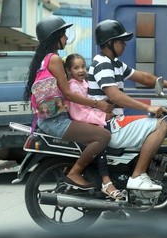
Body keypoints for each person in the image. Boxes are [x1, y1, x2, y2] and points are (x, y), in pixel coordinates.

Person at [88, 19, 167, 191]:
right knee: (161, 125)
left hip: (112, 121)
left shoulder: (115, 64)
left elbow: (143, 77)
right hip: (107, 124)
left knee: (161, 123)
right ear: (110, 43)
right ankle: (137, 176)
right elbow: (114, 95)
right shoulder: (103, 64)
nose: (125, 45)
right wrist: (147, 107)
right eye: (121, 41)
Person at [24, 15, 113, 190]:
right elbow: (68, 94)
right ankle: (74, 173)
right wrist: (97, 104)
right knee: (103, 136)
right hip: (56, 121)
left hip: (49, 119)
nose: (66, 38)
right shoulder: (54, 59)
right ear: (55, 36)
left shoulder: (44, 59)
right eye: (64, 34)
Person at [65, 53, 122, 199]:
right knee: (102, 139)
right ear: (69, 70)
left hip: (91, 119)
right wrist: (103, 116)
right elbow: (80, 112)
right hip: (83, 123)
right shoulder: (73, 86)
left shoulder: (84, 84)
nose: (81, 70)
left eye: (83, 66)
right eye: (76, 67)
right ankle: (105, 179)